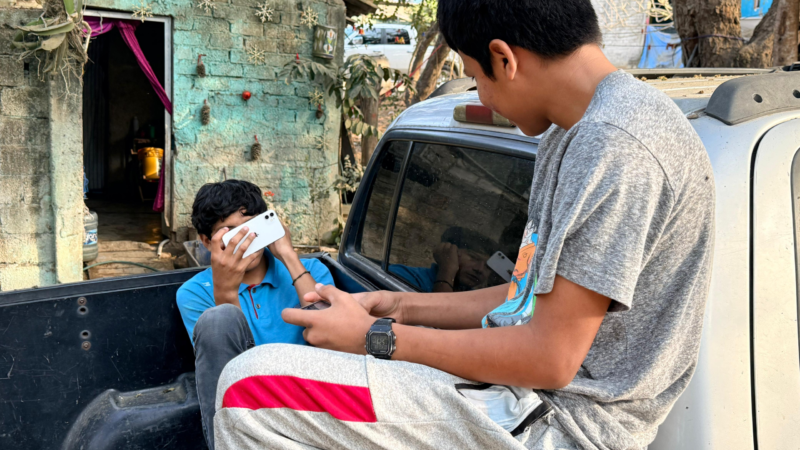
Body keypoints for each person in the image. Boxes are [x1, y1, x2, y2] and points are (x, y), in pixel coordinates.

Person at [213, 1, 715, 448]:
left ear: (504, 58)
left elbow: (550, 357)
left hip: (558, 422)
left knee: (248, 388)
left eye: (475, 74)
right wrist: (397, 305)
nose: (482, 95)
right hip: (519, 397)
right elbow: (526, 296)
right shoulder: (573, 131)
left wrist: (376, 335)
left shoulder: (616, 144)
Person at [175, 180, 334, 450]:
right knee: (217, 319)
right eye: (232, 234)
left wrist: (288, 254)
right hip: (249, 409)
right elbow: (230, 370)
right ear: (205, 241)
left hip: (315, 400)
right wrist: (226, 289)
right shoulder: (194, 293)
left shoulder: (310, 271)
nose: (246, 241)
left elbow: (333, 337)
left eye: (253, 229)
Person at [389, 226, 495, 292]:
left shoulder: (475, 300)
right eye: (473, 257)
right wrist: (447, 271)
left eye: (488, 267)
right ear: (449, 251)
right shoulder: (402, 277)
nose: (480, 269)